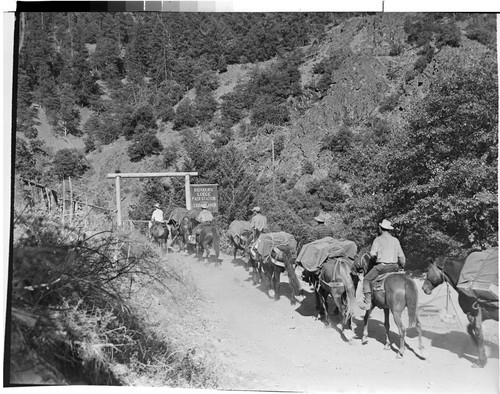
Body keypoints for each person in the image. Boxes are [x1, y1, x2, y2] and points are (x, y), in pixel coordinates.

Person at [359, 219, 406, 310]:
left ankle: (368, 302)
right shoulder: (395, 240)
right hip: (395, 267)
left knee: (366, 280)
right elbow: (402, 257)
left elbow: (372, 254)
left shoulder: (378, 239)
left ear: (381, 229)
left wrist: (375, 258)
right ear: (389, 230)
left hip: (382, 267)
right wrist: (402, 266)